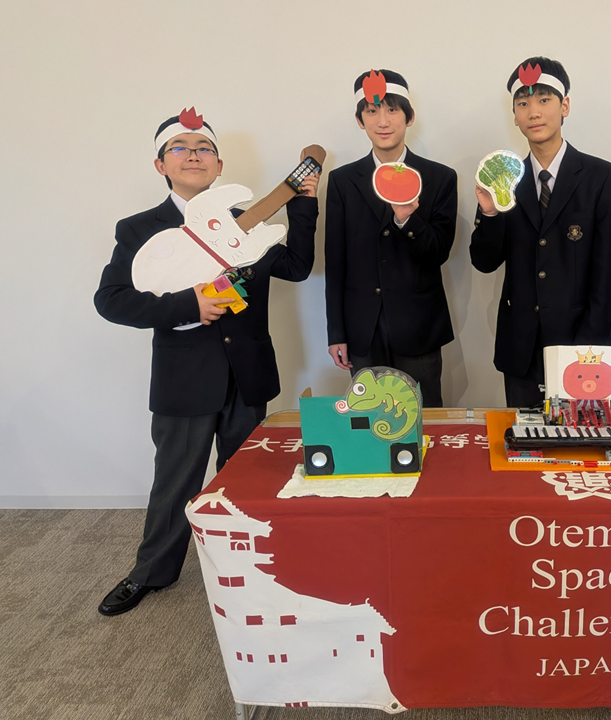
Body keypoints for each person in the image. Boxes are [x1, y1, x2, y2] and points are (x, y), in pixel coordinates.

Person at [94, 108, 318, 615]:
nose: (193, 155)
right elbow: (111, 300)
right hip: (184, 379)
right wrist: (186, 306)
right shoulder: (139, 229)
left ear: (220, 166)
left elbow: (297, 266)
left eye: (204, 149)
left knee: (247, 480)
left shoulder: (244, 224)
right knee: (176, 481)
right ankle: (151, 571)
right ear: (161, 165)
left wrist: (305, 204)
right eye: (180, 148)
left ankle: (253, 567)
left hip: (248, 373)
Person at [471, 56, 611, 408]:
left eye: (544, 100)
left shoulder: (603, 177)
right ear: (514, 115)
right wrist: (490, 212)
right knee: (524, 438)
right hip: (520, 344)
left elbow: (606, 271)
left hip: (580, 345)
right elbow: (484, 261)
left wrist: (589, 348)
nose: (534, 112)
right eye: (523, 104)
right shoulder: (504, 177)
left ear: (564, 106)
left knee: (580, 438)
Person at [324, 69, 457, 408]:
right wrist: (336, 332)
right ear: (360, 120)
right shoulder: (342, 181)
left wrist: (408, 219)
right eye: (372, 111)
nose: (382, 121)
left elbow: (439, 252)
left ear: (409, 117)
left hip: (419, 326)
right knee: (370, 418)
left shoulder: (439, 177)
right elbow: (335, 261)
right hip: (362, 328)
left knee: (423, 416)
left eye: (392, 110)